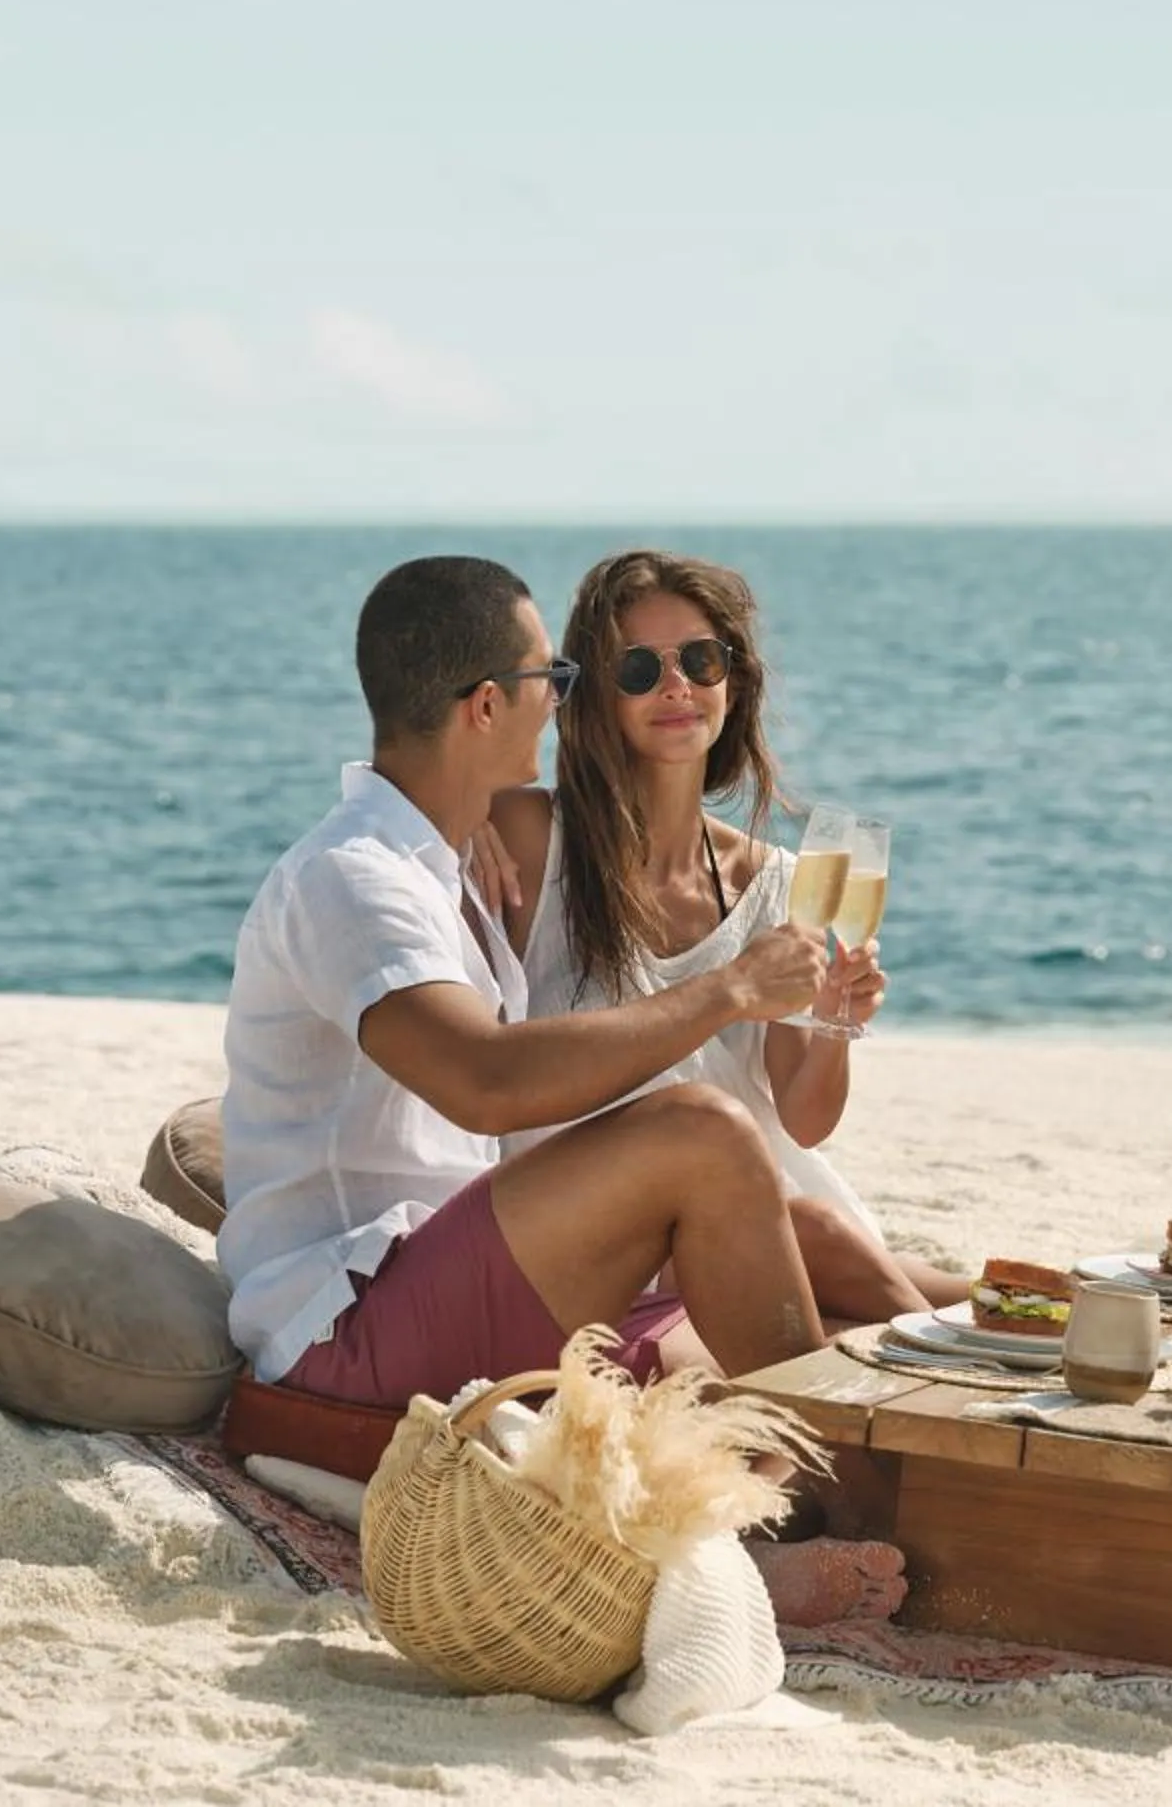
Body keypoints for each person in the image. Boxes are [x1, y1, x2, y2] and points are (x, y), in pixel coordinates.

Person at [215, 554, 906, 1625]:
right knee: (700, 1131)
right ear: (489, 705)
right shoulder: (356, 880)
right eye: (556, 677)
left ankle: (835, 1495)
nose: (567, 698)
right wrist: (724, 991)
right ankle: (860, 1510)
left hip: (442, 1271)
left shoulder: (440, 864)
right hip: (346, 1323)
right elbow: (486, 1083)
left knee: (813, 1250)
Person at [486, 549, 968, 1324]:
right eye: (639, 669)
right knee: (912, 1304)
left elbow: (804, 1121)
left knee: (1010, 1302)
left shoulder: (777, 881)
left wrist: (839, 1023)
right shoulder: (528, 838)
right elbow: (396, 824)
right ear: (595, 694)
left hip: (776, 1207)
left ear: (733, 681)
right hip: (612, 1232)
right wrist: (467, 819)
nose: (676, 686)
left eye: (701, 660)